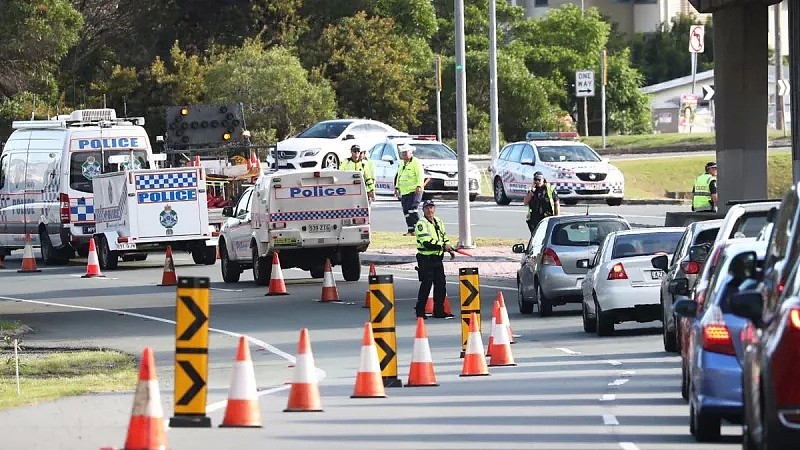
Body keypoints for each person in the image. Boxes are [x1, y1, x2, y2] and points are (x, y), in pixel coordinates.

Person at [414, 199, 455, 319]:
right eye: (427, 208)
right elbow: (426, 242)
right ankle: (420, 311)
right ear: (423, 210)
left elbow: (444, 237)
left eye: (431, 207)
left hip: (437, 258)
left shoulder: (439, 222)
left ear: (434, 209)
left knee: (441, 285)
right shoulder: (421, 224)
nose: (429, 210)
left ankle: (439, 311)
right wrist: (443, 246)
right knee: (426, 285)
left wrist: (449, 248)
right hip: (426, 259)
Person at [394, 144, 424, 236]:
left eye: (405, 152)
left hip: (414, 190)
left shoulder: (416, 162)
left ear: (410, 153)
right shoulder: (402, 163)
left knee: (412, 209)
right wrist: (397, 187)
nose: (404, 154)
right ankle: (411, 230)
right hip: (404, 191)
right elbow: (399, 176)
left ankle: (419, 229)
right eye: (402, 153)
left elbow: (420, 175)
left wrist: (419, 185)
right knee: (406, 211)